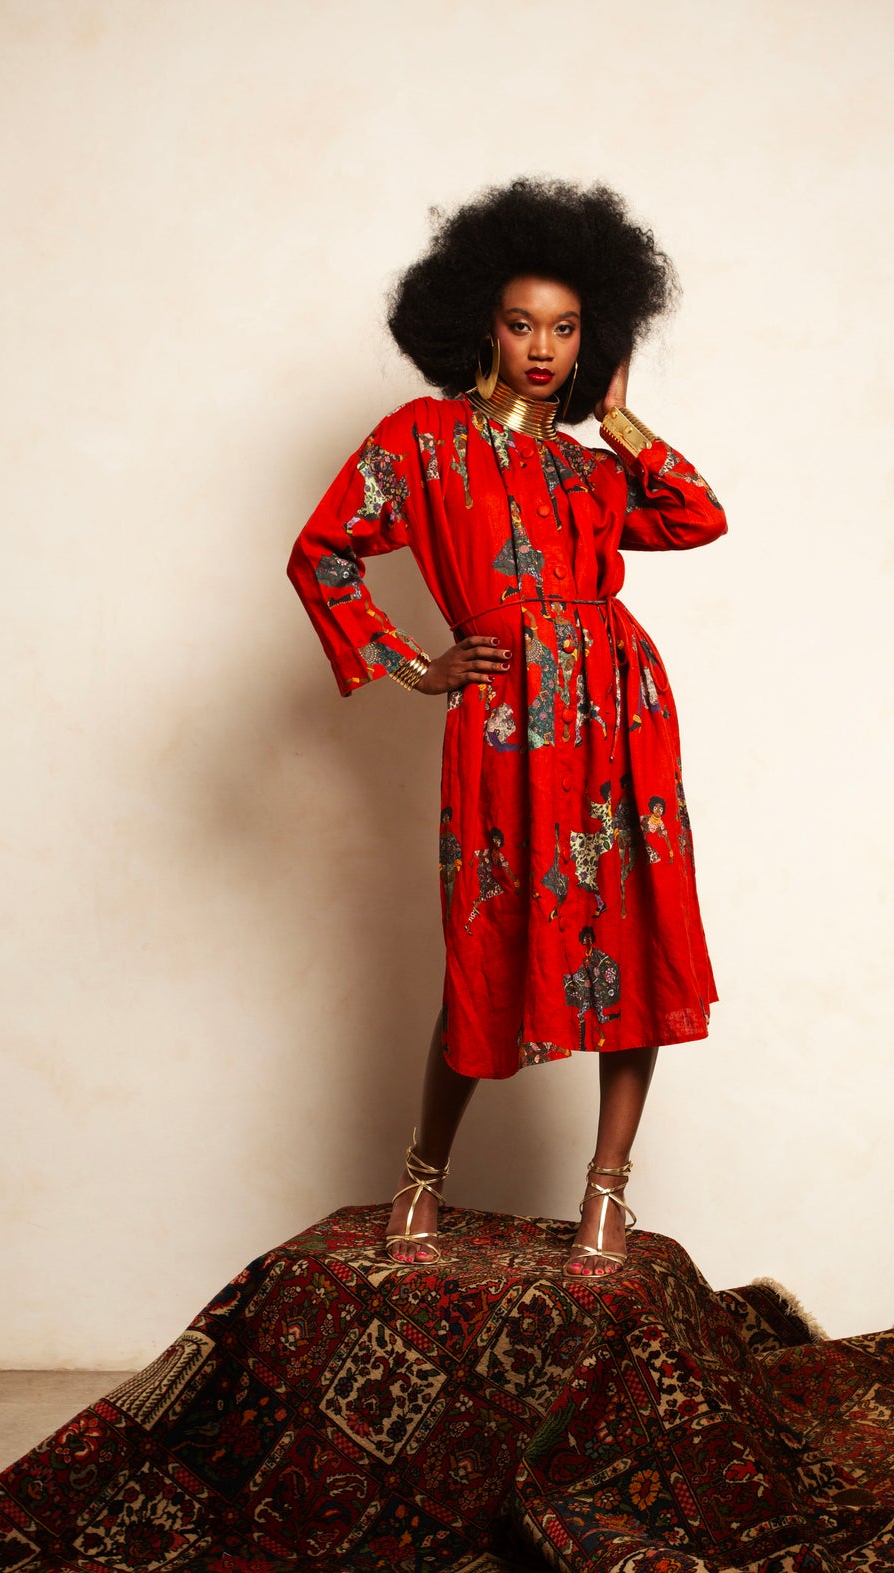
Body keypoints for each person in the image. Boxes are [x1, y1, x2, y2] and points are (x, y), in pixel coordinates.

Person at [288, 178, 727, 1275]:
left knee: (634, 938)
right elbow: (322, 551)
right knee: (486, 943)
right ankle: (422, 1173)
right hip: (505, 720)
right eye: (523, 323)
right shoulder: (424, 440)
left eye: (567, 328)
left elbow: (697, 514)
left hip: (619, 715)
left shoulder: (589, 469)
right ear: (483, 325)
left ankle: (607, 1191)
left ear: (592, 339)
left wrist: (617, 413)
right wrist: (414, 665)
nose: (543, 347)